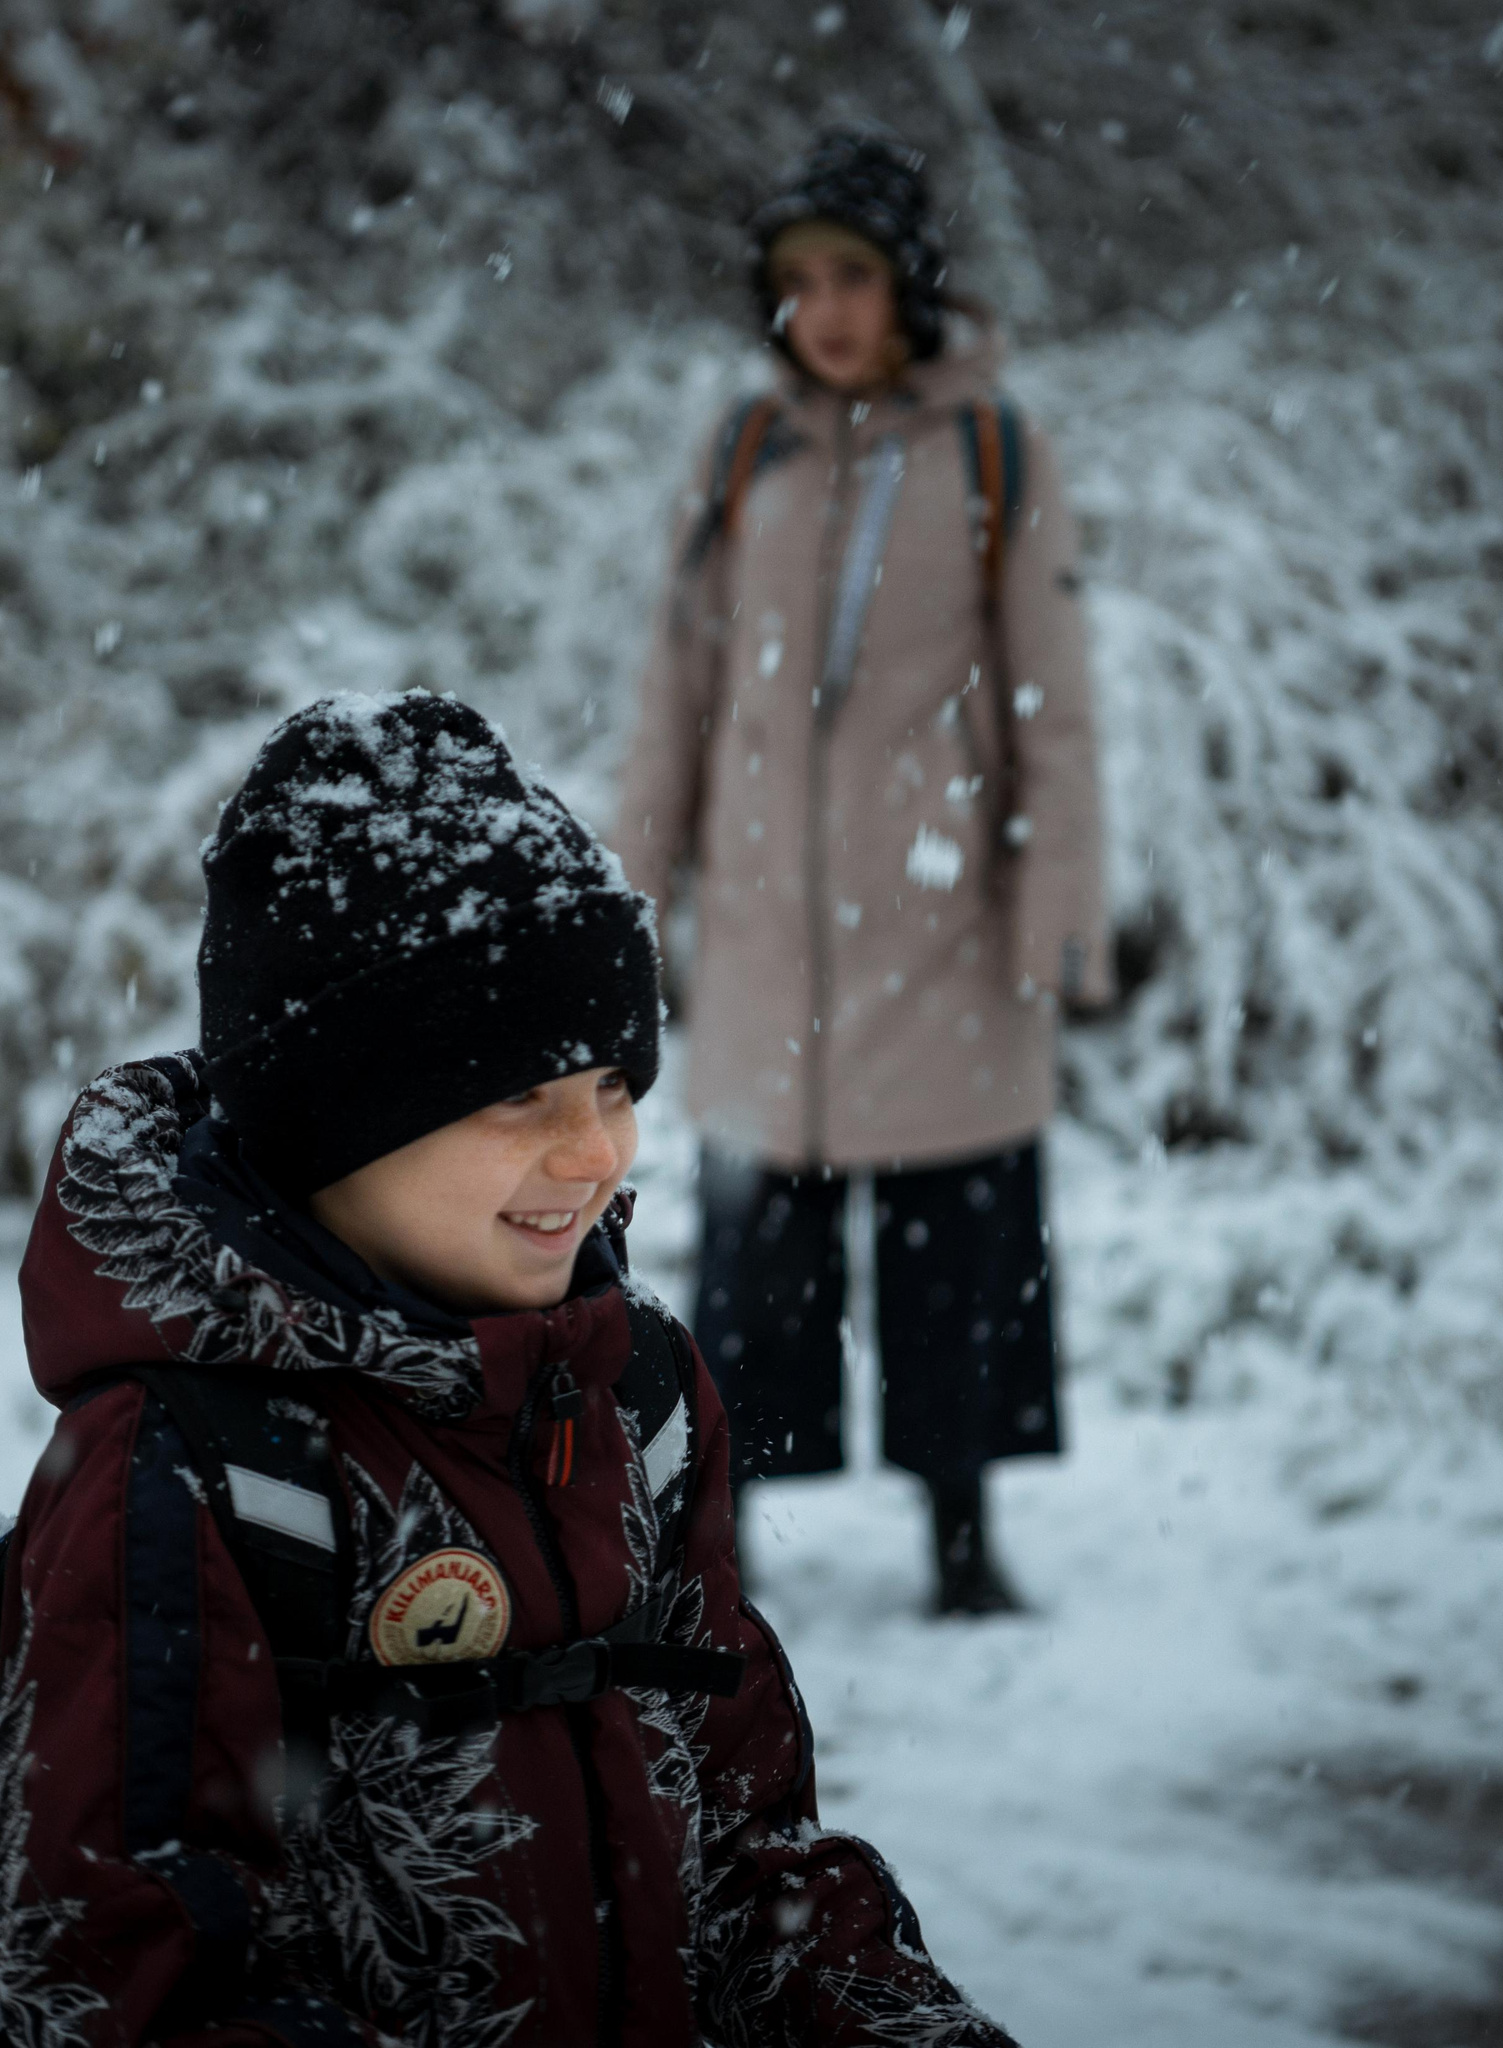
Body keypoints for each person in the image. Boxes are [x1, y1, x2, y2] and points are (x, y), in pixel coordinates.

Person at [0, 691, 1018, 2044]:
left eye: (615, 1087)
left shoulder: (636, 1398)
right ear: (330, 1124)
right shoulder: (194, 1474)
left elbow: (751, 1851)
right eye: (517, 1099)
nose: (594, 1155)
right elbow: (136, 1978)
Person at [615, 128, 1112, 1616]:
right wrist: (628, 899)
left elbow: (1054, 698)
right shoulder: (743, 450)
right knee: (756, 1270)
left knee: (959, 1254)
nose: (827, 308)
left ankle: (960, 1541)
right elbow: (675, 689)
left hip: (942, 922)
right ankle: (726, 1542)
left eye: (854, 275)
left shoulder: (992, 448)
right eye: (799, 280)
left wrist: (1056, 914)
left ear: (910, 285)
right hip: (772, 935)